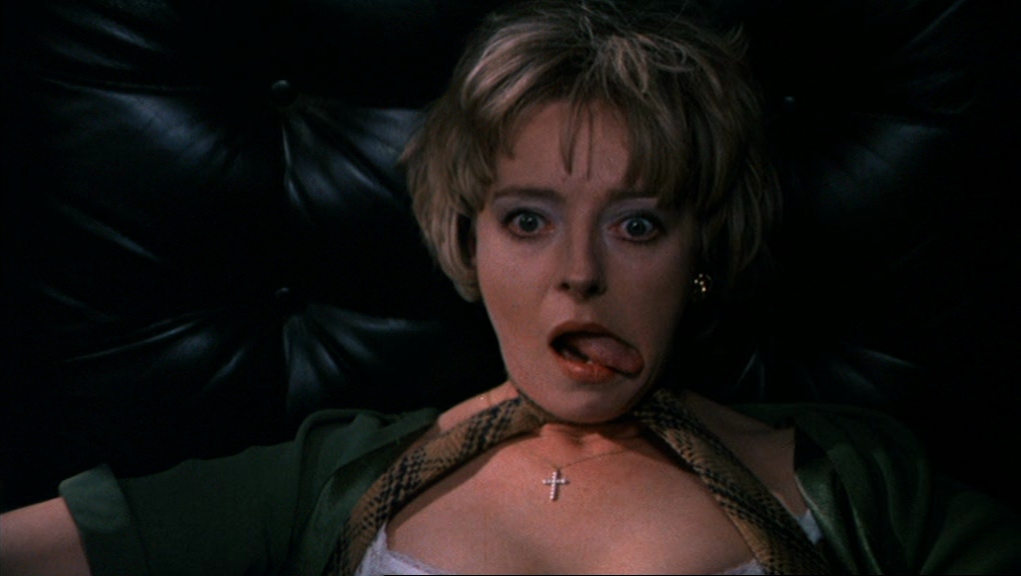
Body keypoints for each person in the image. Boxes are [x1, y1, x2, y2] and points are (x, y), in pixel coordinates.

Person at [2, 1, 1019, 574]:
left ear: (701, 251)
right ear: (466, 240)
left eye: (636, 224)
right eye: (527, 221)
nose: (578, 272)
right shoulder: (332, 475)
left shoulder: (857, 480)